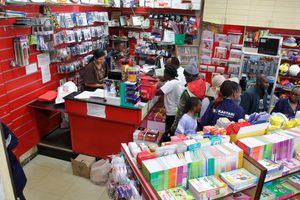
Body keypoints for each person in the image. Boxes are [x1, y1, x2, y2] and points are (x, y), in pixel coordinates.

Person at [171, 62, 207, 133]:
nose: (185, 78)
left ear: (191, 76)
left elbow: (180, 110)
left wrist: (174, 126)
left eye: (185, 76)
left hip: (184, 121)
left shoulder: (187, 91)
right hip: (195, 120)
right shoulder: (202, 84)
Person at [156, 65, 184, 133]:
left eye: (164, 73)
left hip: (171, 113)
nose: (164, 75)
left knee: (168, 131)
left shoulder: (170, 84)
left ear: (168, 74)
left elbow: (158, 92)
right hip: (176, 111)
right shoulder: (177, 81)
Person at [3, 123, 27, 200]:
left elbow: (14, 139)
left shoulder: (0, 125)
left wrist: (5, 145)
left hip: (10, 166)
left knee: (17, 191)